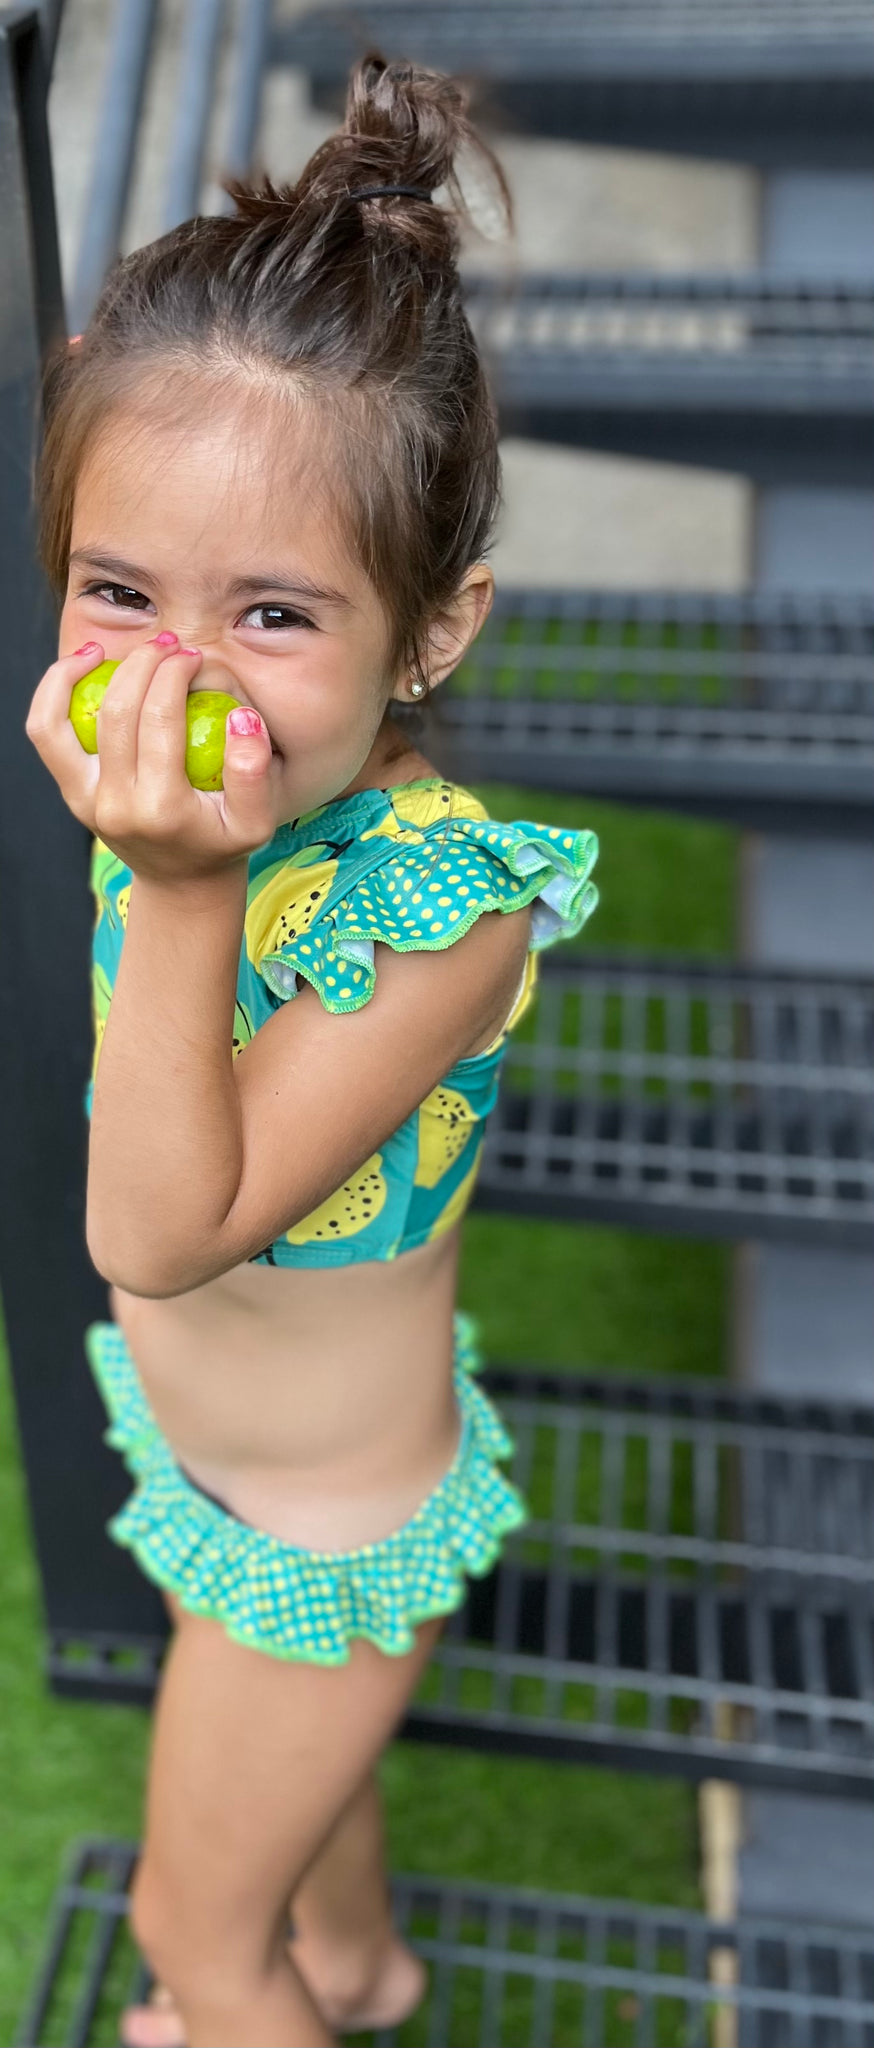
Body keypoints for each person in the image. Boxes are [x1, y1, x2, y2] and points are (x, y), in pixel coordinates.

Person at [25, 52, 598, 2048]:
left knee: (198, 1937)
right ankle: (354, 1964)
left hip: (328, 1535)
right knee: (287, 1885)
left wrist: (176, 891)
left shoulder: (439, 911)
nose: (175, 676)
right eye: (119, 591)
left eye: (271, 611)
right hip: (219, 1464)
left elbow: (164, 1230)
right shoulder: (189, 780)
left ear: (431, 632)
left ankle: (266, 1990)